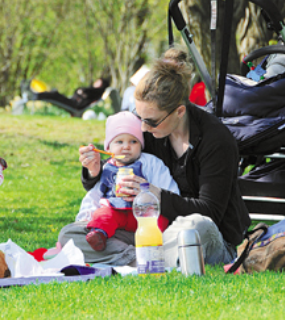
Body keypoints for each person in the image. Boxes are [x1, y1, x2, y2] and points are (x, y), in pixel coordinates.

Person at [59, 48, 251, 267]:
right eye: (139, 117)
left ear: (179, 112)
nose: (142, 127)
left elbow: (210, 212)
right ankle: (143, 260)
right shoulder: (151, 131)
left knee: (197, 227)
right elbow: (116, 166)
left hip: (207, 237)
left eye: (150, 121)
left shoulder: (216, 140)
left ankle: (141, 259)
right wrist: (93, 170)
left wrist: (154, 193)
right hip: (150, 233)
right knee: (71, 235)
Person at [81, 111, 179, 251]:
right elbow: (95, 194)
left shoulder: (150, 163)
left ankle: (155, 246)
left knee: (160, 220)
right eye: (119, 141)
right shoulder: (106, 168)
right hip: (116, 215)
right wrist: (84, 217)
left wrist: (150, 193)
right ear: (108, 148)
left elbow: (169, 189)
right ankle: (99, 235)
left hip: (144, 216)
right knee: (101, 215)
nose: (126, 146)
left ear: (141, 145)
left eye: (133, 141)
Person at [30, 78, 110, 111]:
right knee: (55, 94)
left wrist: (80, 92)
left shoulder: (96, 91)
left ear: (102, 84)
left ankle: (35, 95)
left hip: (75, 105)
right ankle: (36, 95)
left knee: (55, 95)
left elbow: (83, 91)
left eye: (98, 82)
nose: (95, 82)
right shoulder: (94, 91)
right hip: (74, 102)